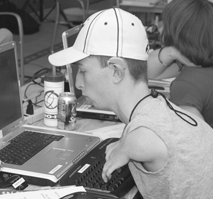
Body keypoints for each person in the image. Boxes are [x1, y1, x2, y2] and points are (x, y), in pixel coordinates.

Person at [48, 8, 213, 198]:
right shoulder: (157, 106)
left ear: (117, 71)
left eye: (83, 71)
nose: (77, 83)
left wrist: (126, 147)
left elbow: (151, 138)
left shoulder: (144, 133)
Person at [147, 0, 213, 128]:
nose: (160, 28)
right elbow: (148, 71)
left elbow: (194, 136)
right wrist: (171, 52)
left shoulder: (186, 85)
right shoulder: (196, 65)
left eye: (164, 24)